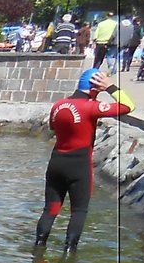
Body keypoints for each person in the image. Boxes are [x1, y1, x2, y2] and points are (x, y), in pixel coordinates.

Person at [34, 68, 136, 252]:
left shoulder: (58, 105)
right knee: (79, 211)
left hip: (56, 162)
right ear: (96, 86)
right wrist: (111, 87)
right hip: (79, 165)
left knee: (50, 210)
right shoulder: (90, 107)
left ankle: (38, 248)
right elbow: (129, 106)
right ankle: (69, 252)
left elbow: (52, 126)